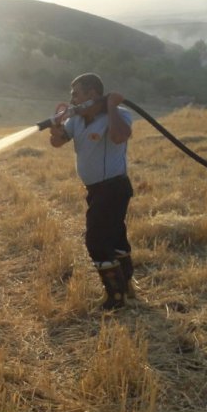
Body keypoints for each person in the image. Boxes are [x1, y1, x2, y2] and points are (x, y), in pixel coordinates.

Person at [48, 73, 135, 310]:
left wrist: (111, 106)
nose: (72, 98)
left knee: (96, 241)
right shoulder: (76, 121)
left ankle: (115, 298)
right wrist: (56, 127)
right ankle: (127, 288)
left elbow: (119, 136)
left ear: (92, 94)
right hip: (95, 190)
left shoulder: (118, 115)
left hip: (114, 187)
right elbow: (57, 142)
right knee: (116, 238)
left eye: (76, 93)